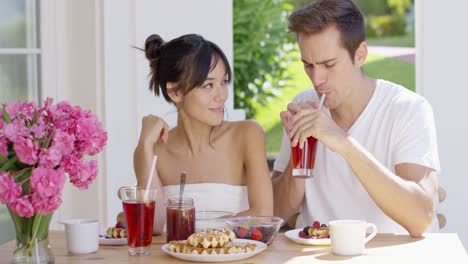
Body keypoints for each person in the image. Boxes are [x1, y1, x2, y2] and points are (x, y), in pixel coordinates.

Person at [272, 0, 440, 237]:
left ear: (360, 54)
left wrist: (344, 143)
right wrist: (299, 152)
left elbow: (421, 218)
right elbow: (276, 214)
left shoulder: (408, 109)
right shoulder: (305, 106)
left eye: (328, 64)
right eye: (308, 65)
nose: (317, 79)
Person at [134, 34, 273, 234]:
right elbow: (153, 227)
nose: (222, 95)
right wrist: (145, 145)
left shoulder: (247, 135)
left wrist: (200, 241)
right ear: (175, 92)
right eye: (209, 85)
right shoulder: (153, 151)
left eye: (223, 82)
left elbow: (263, 214)